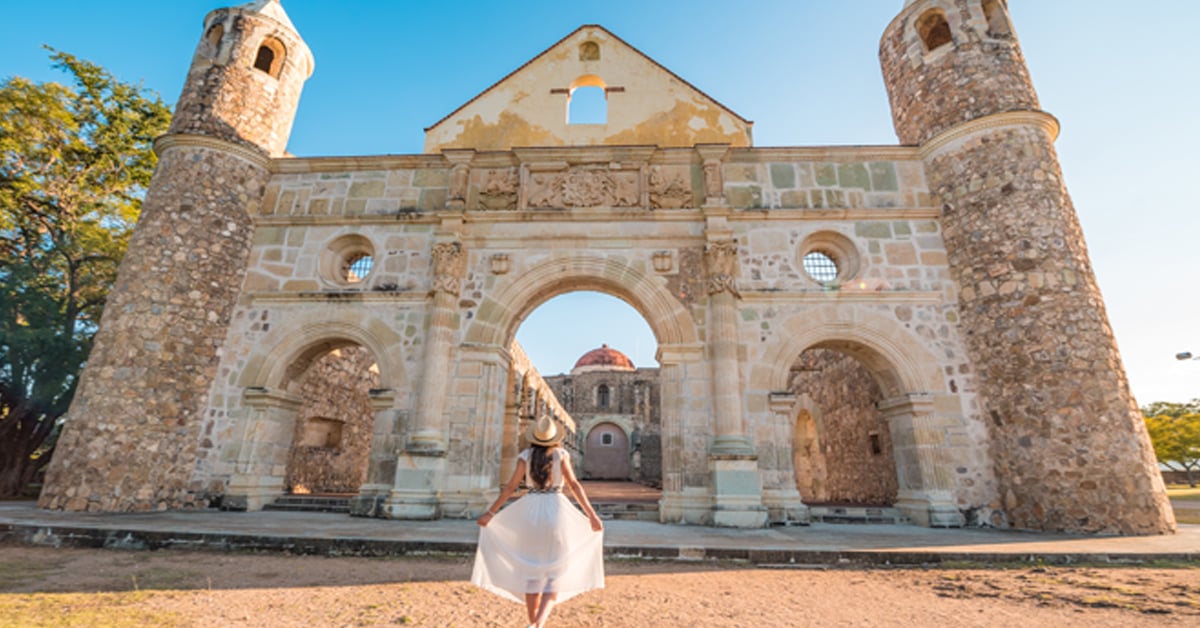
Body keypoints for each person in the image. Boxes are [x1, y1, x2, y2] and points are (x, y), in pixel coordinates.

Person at [471, 415, 605, 628]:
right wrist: (591, 515)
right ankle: (539, 624)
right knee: (555, 575)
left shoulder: (525, 455)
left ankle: (532, 623)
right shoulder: (561, 455)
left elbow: (510, 488)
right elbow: (574, 485)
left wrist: (491, 513)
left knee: (532, 574)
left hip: (530, 511)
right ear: (555, 439)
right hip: (556, 510)